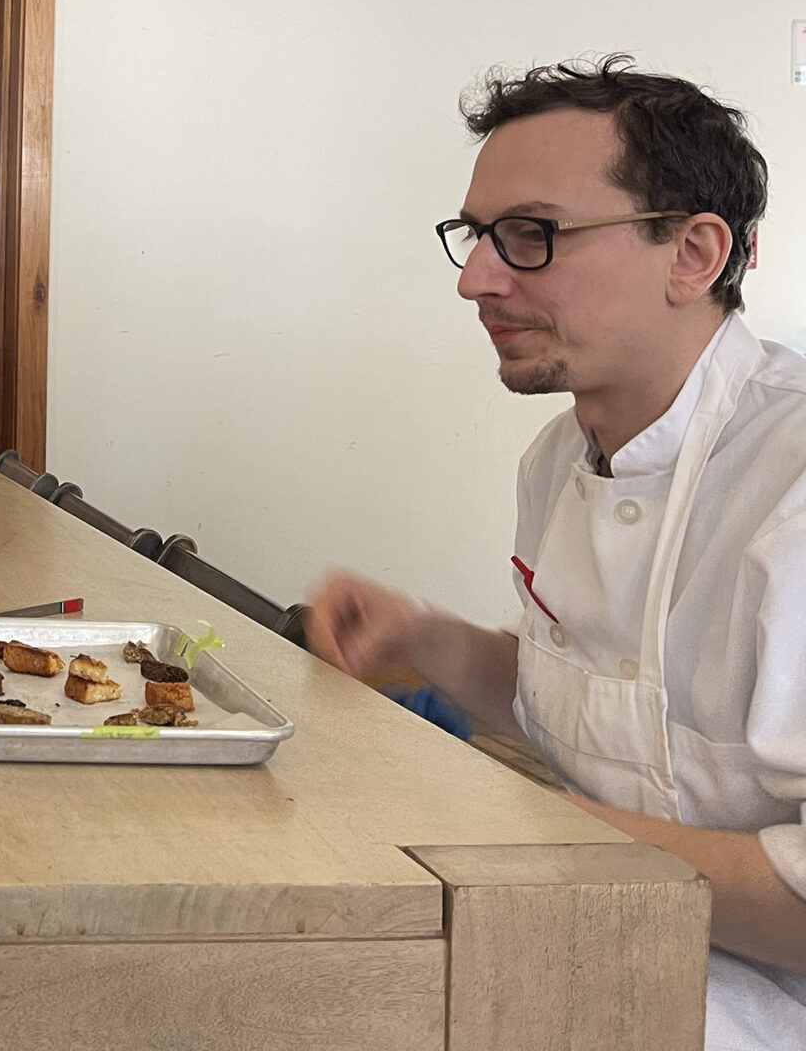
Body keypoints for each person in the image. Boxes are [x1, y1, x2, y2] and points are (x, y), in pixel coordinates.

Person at [307, 57, 806, 1049]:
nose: (472, 279)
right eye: (474, 236)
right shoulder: (558, 461)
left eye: (530, 236)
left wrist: (543, 842)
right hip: (603, 947)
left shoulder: (788, 491)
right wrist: (428, 639)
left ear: (692, 253)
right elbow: (614, 720)